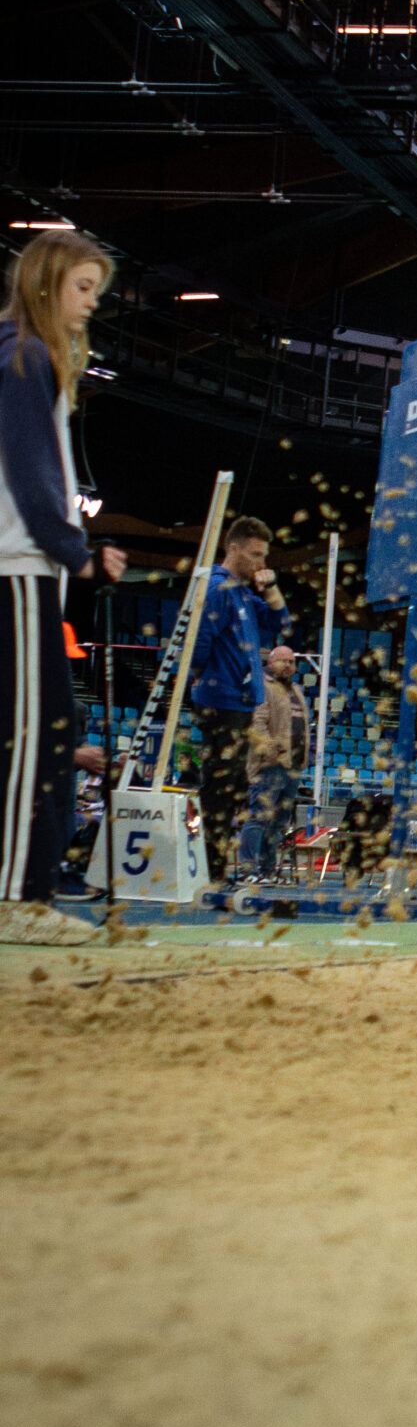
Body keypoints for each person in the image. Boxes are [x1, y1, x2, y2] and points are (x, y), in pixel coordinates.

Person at [0, 230, 127, 946]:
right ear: (47, 285)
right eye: (83, 288)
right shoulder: (26, 356)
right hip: (18, 569)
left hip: (21, 567)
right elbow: (31, 470)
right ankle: (19, 897)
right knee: (39, 740)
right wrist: (75, 551)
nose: (90, 304)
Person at [189, 514, 290, 883]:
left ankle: (214, 869)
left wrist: (270, 587)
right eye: (255, 554)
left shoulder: (243, 593)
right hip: (222, 702)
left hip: (240, 703)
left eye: (264, 556)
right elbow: (198, 644)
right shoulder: (218, 589)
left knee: (230, 789)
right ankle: (210, 872)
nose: (261, 563)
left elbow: (281, 623)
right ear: (233, 548)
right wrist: (205, 681)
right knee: (219, 789)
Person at [238, 644, 308, 878]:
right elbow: (257, 724)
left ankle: (268, 871)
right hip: (270, 766)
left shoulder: (295, 690)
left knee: (278, 823)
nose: (287, 665)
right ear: (270, 662)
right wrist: (272, 754)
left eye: (291, 662)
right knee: (259, 818)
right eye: (282, 661)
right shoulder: (263, 687)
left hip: (293, 766)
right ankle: (248, 869)